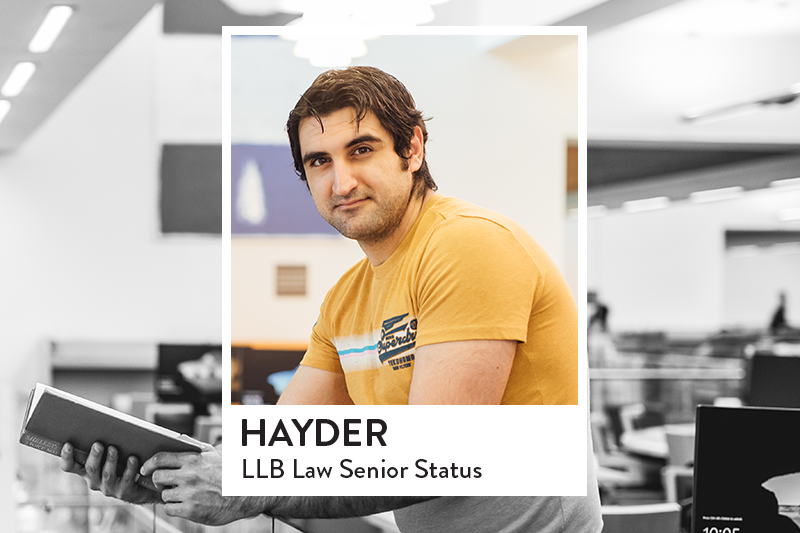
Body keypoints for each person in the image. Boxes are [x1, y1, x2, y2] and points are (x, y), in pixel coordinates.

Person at [61, 66, 602, 532]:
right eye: (319, 161)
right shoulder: (347, 299)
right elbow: (282, 451)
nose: (341, 181)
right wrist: (167, 481)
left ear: (412, 148)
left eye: (361, 150)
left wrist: (246, 490)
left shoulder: (469, 245)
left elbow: (437, 457)